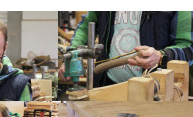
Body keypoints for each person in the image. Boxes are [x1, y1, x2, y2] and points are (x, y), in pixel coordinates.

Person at [59, 11, 193, 91]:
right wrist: (72, 56)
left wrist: (160, 57)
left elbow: (188, 48)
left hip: (155, 92)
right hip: (107, 87)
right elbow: (85, 27)